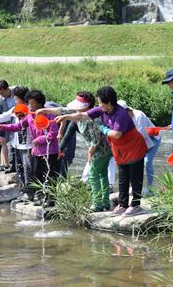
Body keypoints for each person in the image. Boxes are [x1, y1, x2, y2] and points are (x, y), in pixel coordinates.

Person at [55, 86, 148, 217]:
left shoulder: (120, 114)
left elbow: (117, 134)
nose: (98, 105)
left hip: (133, 147)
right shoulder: (102, 109)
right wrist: (66, 117)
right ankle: (122, 204)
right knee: (123, 177)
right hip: (120, 149)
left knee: (135, 177)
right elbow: (82, 115)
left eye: (100, 102)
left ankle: (136, 205)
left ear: (109, 103)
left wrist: (102, 128)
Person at [38, 91, 112, 211]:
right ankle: (105, 202)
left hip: (100, 150)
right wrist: (44, 111)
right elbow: (62, 110)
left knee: (93, 175)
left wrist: (90, 152)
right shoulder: (78, 114)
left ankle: (98, 203)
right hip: (103, 150)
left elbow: (96, 139)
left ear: (86, 106)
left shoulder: (92, 119)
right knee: (102, 174)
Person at [0, 90, 59, 204]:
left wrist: (39, 139)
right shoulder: (30, 116)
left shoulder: (50, 115)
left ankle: (51, 200)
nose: (29, 106)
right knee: (37, 175)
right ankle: (40, 197)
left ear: (40, 104)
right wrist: (3, 127)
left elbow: (53, 134)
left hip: (50, 151)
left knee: (50, 175)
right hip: (37, 152)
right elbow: (18, 126)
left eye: (32, 104)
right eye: (29, 103)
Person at [0, 86, 34, 198]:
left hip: (28, 145)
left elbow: (17, 126)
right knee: (20, 169)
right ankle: (23, 191)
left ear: (23, 99)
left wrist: (3, 127)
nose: (14, 101)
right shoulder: (14, 109)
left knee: (29, 170)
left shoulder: (30, 110)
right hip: (17, 145)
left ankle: (31, 194)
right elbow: (2, 117)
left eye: (16, 99)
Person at [117, 100, 161, 192]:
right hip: (137, 142)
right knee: (131, 163)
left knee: (147, 161)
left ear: (128, 110)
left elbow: (141, 135)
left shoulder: (139, 115)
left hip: (152, 139)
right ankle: (134, 186)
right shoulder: (123, 119)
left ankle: (150, 189)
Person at [0, 80, 17, 173]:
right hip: (7, 122)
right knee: (9, 143)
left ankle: (15, 165)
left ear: (7, 89)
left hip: (19, 120)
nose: (1, 95)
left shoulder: (16, 91)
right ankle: (11, 165)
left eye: (3, 92)